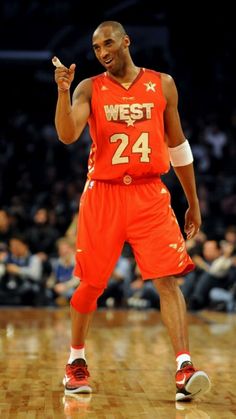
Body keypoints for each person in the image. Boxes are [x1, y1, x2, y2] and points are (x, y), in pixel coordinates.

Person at [52, 21, 211, 401]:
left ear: (126, 41)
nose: (102, 51)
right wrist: (63, 92)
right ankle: (76, 361)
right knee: (91, 284)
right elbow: (68, 134)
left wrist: (193, 201)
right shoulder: (90, 87)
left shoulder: (163, 83)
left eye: (108, 43)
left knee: (167, 279)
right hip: (103, 194)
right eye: (95, 47)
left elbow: (178, 145)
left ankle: (184, 367)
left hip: (149, 193)